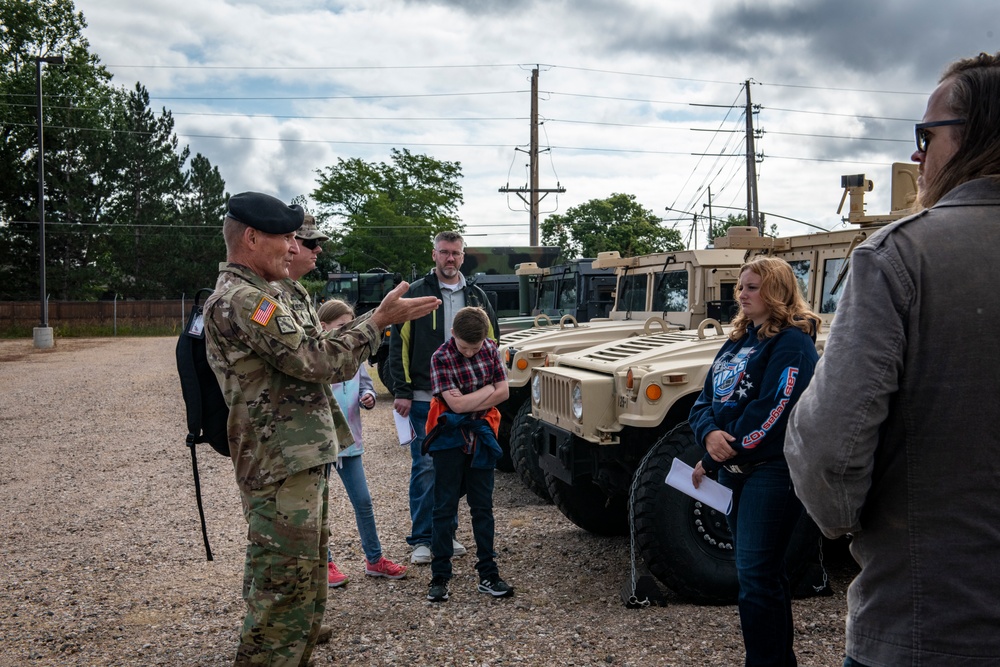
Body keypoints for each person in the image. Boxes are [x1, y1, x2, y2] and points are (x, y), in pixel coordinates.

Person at [785, 52, 1000, 667]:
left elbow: (830, 448)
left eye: (924, 136)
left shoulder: (900, 257)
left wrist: (842, 520)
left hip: (933, 624)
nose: (916, 156)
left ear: (976, 133)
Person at [203, 192, 439, 667]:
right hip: (278, 459)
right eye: (286, 237)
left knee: (303, 571)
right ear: (252, 238)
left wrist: (372, 320)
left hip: (297, 454)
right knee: (282, 582)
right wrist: (378, 323)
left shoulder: (266, 293)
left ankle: (296, 648)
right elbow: (316, 361)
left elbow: (314, 344)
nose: (293, 247)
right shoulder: (246, 301)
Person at [689, 256, 821, 667]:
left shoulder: (792, 343)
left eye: (751, 287)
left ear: (776, 292)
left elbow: (774, 409)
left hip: (772, 471)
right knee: (764, 576)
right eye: (740, 288)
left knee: (754, 577)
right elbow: (704, 399)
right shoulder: (739, 339)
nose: (741, 295)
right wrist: (708, 434)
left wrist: (715, 458)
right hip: (735, 473)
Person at [387, 231, 499, 565]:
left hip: (469, 399)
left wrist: (489, 390)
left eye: (456, 253)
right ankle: (422, 538)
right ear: (434, 254)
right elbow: (399, 345)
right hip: (425, 397)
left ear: (463, 257)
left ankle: (445, 534)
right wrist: (402, 391)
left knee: (455, 467)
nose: (450, 259)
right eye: (444, 252)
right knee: (425, 467)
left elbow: (492, 342)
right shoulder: (418, 294)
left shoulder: (476, 296)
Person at [423, 306, 512, 602]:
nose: (471, 353)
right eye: (464, 347)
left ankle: (488, 573)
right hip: (449, 439)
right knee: (444, 507)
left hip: (482, 437)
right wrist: (488, 390)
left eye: (475, 348)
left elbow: (505, 392)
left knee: (483, 507)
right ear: (453, 335)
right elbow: (457, 407)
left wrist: (476, 397)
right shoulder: (441, 357)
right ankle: (440, 577)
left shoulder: (490, 349)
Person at [316, 299, 408, 585]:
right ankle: (324, 563)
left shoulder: (354, 356)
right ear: (324, 327)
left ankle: (374, 559)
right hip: (319, 445)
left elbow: (365, 385)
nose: (348, 331)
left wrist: (368, 397)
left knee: (364, 502)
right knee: (319, 507)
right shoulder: (313, 356)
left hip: (350, 442)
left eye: (351, 325)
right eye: (342, 326)